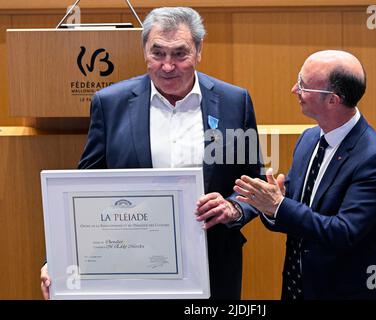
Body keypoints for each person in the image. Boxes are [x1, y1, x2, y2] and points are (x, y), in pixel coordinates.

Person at [40, 7, 262, 300]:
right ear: (144, 51)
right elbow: (84, 190)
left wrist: (234, 209)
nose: (167, 66)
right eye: (158, 53)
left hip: (213, 261)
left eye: (180, 54)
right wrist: (57, 259)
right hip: (128, 264)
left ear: (198, 51)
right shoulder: (111, 104)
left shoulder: (234, 102)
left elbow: (252, 182)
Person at [234, 50, 376, 300]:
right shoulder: (309, 139)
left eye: (303, 85)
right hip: (297, 291)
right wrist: (270, 208)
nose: (294, 90)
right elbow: (293, 212)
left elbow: (343, 233)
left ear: (333, 100)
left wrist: (279, 206)